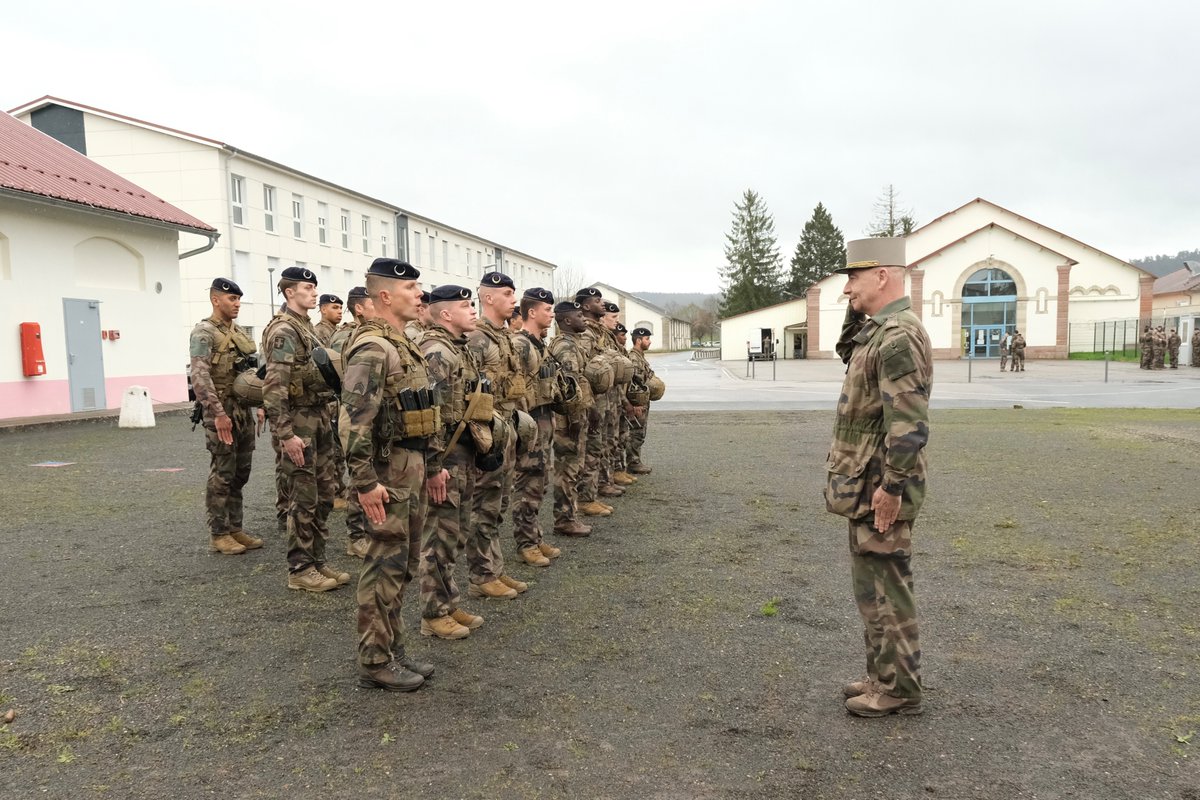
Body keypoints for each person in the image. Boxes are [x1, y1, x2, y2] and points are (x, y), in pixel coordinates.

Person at [826, 237, 931, 717]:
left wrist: (892, 487)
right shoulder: (877, 331)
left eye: (854, 277)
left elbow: (908, 424)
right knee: (870, 589)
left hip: (880, 485)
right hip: (862, 482)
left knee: (888, 588)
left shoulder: (898, 336)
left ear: (883, 276)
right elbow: (845, 349)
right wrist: (856, 306)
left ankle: (900, 690)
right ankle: (882, 675)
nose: (846, 287)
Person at [340, 258, 437, 691]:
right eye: (412, 288)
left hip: (408, 466)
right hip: (386, 471)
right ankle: (375, 661)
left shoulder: (401, 342)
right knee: (384, 564)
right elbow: (353, 420)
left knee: (402, 564)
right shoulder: (374, 348)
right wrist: (364, 483)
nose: (420, 294)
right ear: (384, 296)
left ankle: (392, 649)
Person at [262, 266, 348, 593]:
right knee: (303, 495)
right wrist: (285, 435)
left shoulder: (304, 327)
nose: (314, 292)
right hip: (298, 422)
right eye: (307, 288)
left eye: (315, 287)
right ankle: (299, 568)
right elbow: (274, 387)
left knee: (325, 492)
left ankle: (317, 560)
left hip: (318, 416)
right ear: (289, 293)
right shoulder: (284, 331)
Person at [417, 285, 490, 639]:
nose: (473, 311)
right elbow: (429, 415)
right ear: (445, 314)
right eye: (465, 306)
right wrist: (433, 467)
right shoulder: (437, 353)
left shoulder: (457, 349)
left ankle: (448, 602)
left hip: (461, 454)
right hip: (443, 457)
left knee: (456, 533)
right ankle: (433, 614)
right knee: (439, 537)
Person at [189, 278, 264, 555]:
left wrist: (261, 403)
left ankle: (235, 528)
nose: (237, 304)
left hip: (243, 411)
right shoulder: (203, 333)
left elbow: (252, 372)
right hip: (221, 413)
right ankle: (218, 533)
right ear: (215, 300)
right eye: (232, 299)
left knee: (240, 472)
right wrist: (218, 413)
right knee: (222, 473)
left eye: (238, 300)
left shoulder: (239, 332)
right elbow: (200, 376)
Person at [466, 272, 527, 600]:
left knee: (499, 503)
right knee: (484, 505)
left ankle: (495, 568)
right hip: (488, 435)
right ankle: (481, 574)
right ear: (488, 298)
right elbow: (469, 393)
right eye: (506, 293)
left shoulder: (503, 336)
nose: (513, 299)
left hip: (507, 430)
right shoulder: (477, 338)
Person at [510, 287, 562, 566]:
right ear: (532, 312)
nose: (551, 313)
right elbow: (511, 387)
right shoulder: (520, 345)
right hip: (529, 422)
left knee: (540, 482)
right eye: (546, 309)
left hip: (545, 419)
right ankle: (525, 542)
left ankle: (534, 535)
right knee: (527, 483)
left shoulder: (539, 344)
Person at [330, 286, 375, 559]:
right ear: (359, 308)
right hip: (355, 411)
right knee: (360, 475)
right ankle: (356, 536)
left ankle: (368, 532)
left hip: (370, 413)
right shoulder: (348, 337)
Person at [548, 301, 593, 537]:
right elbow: (569, 389)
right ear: (566, 321)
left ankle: (570, 515)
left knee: (573, 468)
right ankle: (564, 519)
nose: (584, 318)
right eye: (579, 315)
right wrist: (575, 421)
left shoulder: (571, 343)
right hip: (568, 420)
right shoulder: (565, 347)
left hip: (575, 417)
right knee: (567, 470)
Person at [625, 327, 654, 474]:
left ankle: (635, 460)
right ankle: (633, 462)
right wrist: (635, 404)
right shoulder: (634, 358)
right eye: (647, 339)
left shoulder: (640, 356)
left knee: (640, 432)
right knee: (635, 433)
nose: (649, 342)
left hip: (643, 401)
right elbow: (633, 383)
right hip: (638, 402)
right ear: (638, 340)